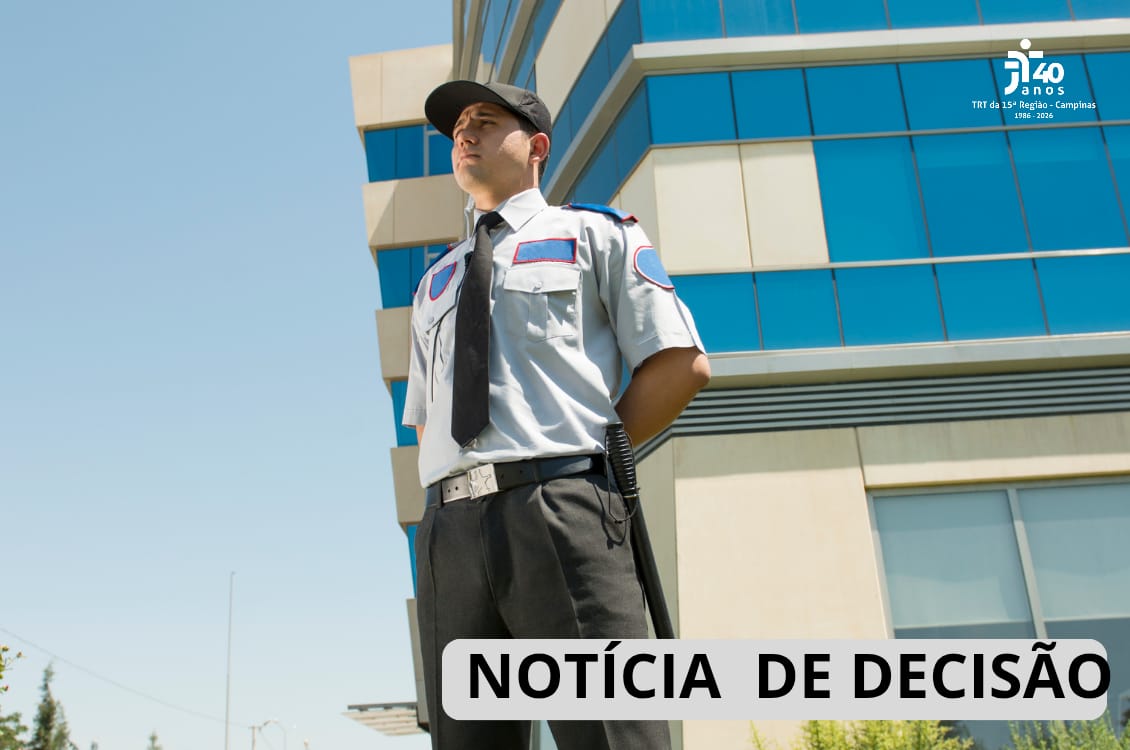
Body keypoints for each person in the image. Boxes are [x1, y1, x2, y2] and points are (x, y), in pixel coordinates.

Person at [403, 79, 710, 750]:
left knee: (611, 733)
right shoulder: (433, 282)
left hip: (561, 507)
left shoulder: (595, 235)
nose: (465, 134)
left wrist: (585, 463)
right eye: (457, 128)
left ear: (536, 146)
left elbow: (679, 365)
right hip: (449, 531)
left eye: (485, 121)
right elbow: (426, 419)